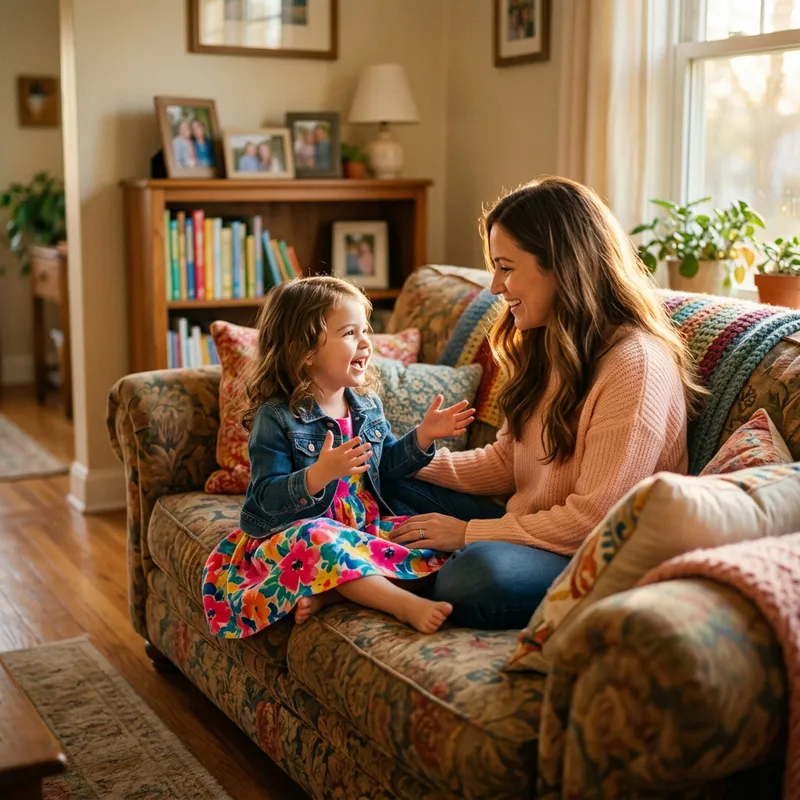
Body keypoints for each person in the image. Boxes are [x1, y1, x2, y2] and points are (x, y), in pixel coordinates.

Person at [382, 176, 705, 630]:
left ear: (561, 266)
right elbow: (505, 463)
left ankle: (377, 573)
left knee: (474, 576)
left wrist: (466, 534)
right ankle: (374, 573)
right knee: (385, 485)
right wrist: (402, 458)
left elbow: (594, 521)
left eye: (506, 268)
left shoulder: (636, 365)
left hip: (591, 554)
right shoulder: (548, 342)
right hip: (527, 527)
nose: (495, 287)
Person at [202, 276, 477, 638]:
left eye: (365, 330)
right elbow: (264, 497)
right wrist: (318, 474)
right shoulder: (278, 416)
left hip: (363, 529)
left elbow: (387, 468)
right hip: (300, 536)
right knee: (320, 540)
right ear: (305, 351)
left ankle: (331, 592)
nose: (366, 342)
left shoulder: (366, 406)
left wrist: (423, 437)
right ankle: (403, 604)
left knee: (430, 545)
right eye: (349, 333)